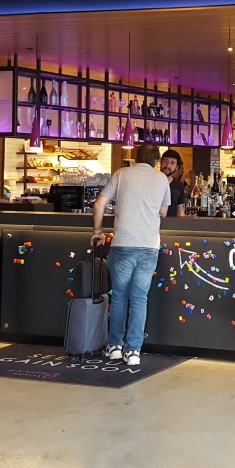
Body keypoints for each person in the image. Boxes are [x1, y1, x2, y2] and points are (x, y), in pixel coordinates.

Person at [91, 144, 172, 366]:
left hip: (123, 244)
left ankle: (115, 347)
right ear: (156, 161)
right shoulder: (161, 179)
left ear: (136, 158)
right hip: (148, 246)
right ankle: (133, 351)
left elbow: (99, 204)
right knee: (139, 299)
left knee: (119, 297)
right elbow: (163, 212)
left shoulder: (121, 174)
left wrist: (97, 231)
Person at [159, 149, 189, 217]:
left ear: (177, 167)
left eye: (172, 163)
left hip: (172, 223)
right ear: (161, 163)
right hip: (154, 222)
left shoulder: (179, 185)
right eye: (165, 161)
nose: (167, 165)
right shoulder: (153, 182)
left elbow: (180, 210)